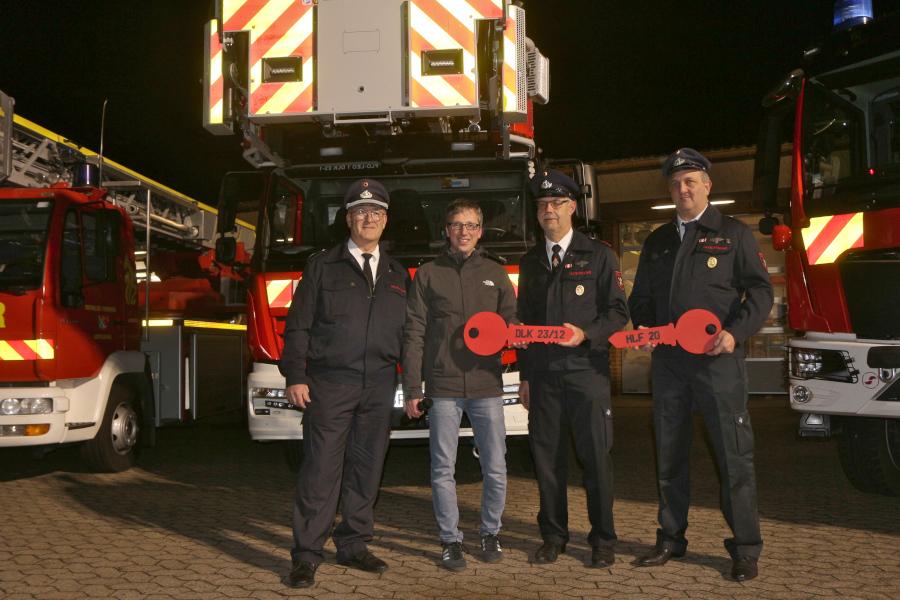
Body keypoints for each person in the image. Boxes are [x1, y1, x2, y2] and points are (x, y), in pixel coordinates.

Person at [628, 148, 773, 582]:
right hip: (670, 366)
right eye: (675, 183)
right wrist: (651, 331)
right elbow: (640, 299)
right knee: (669, 456)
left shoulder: (732, 234)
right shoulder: (657, 241)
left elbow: (760, 292)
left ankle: (745, 548)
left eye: (691, 181)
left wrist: (735, 333)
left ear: (708, 185)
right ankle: (671, 538)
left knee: (734, 458)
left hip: (718, 364)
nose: (683, 189)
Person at [279, 178, 410, 589]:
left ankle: (353, 544)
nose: (368, 219)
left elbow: (409, 333)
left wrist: (415, 383)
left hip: (379, 385)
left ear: (385, 221)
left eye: (375, 213)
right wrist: (295, 376)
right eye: (360, 212)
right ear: (348, 219)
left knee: (367, 468)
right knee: (320, 470)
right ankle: (306, 555)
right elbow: (298, 325)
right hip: (330, 383)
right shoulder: (322, 266)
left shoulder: (397, 272)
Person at [516, 170, 629, 568]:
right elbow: (526, 322)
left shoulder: (599, 255)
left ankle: (602, 541)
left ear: (572, 209)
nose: (548, 210)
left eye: (556, 204)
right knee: (547, 461)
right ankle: (553, 536)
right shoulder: (530, 262)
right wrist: (526, 376)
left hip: (587, 374)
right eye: (542, 205)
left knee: (596, 458)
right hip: (544, 377)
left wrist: (585, 333)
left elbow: (618, 312)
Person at [402, 198, 517, 571]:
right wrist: (414, 388)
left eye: (471, 225)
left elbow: (512, 325)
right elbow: (415, 332)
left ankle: (490, 532)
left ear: (480, 231)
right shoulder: (428, 274)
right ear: (446, 231)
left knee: (496, 466)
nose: (464, 232)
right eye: (456, 225)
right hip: (443, 385)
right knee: (442, 468)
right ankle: (450, 540)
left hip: (486, 383)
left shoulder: (496, 274)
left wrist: (517, 342)